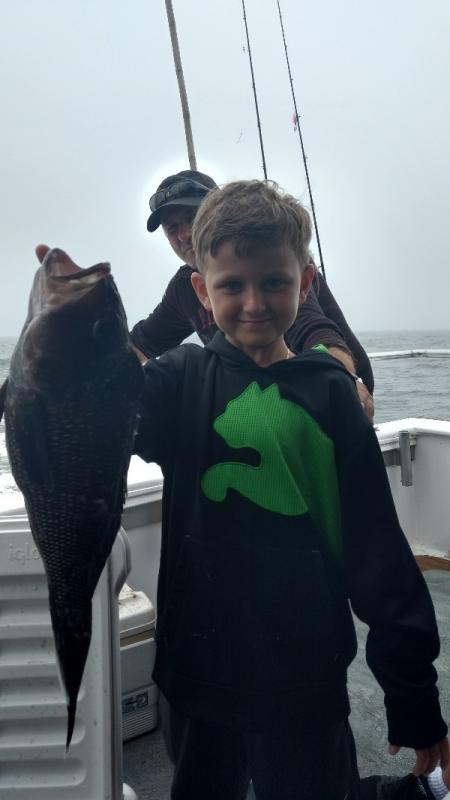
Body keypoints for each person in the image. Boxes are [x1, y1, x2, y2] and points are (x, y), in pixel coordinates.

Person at [132, 179, 448, 800]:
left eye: (274, 282)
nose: (254, 302)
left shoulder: (329, 392)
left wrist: (412, 694)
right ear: (202, 290)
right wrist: (61, 340)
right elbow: (93, 415)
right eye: (231, 286)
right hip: (194, 673)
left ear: (305, 284)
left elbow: (379, 556)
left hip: (305, 678)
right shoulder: (176, 381)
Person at [130, 169, 375, 421]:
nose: (183, 235)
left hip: (327, 400)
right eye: (172, 228)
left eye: (191, 218)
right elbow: (140, 343)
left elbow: (313, 330)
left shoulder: (273, 261)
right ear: (202, 290)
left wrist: (343, 381)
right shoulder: (183, 287)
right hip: (261, 408)